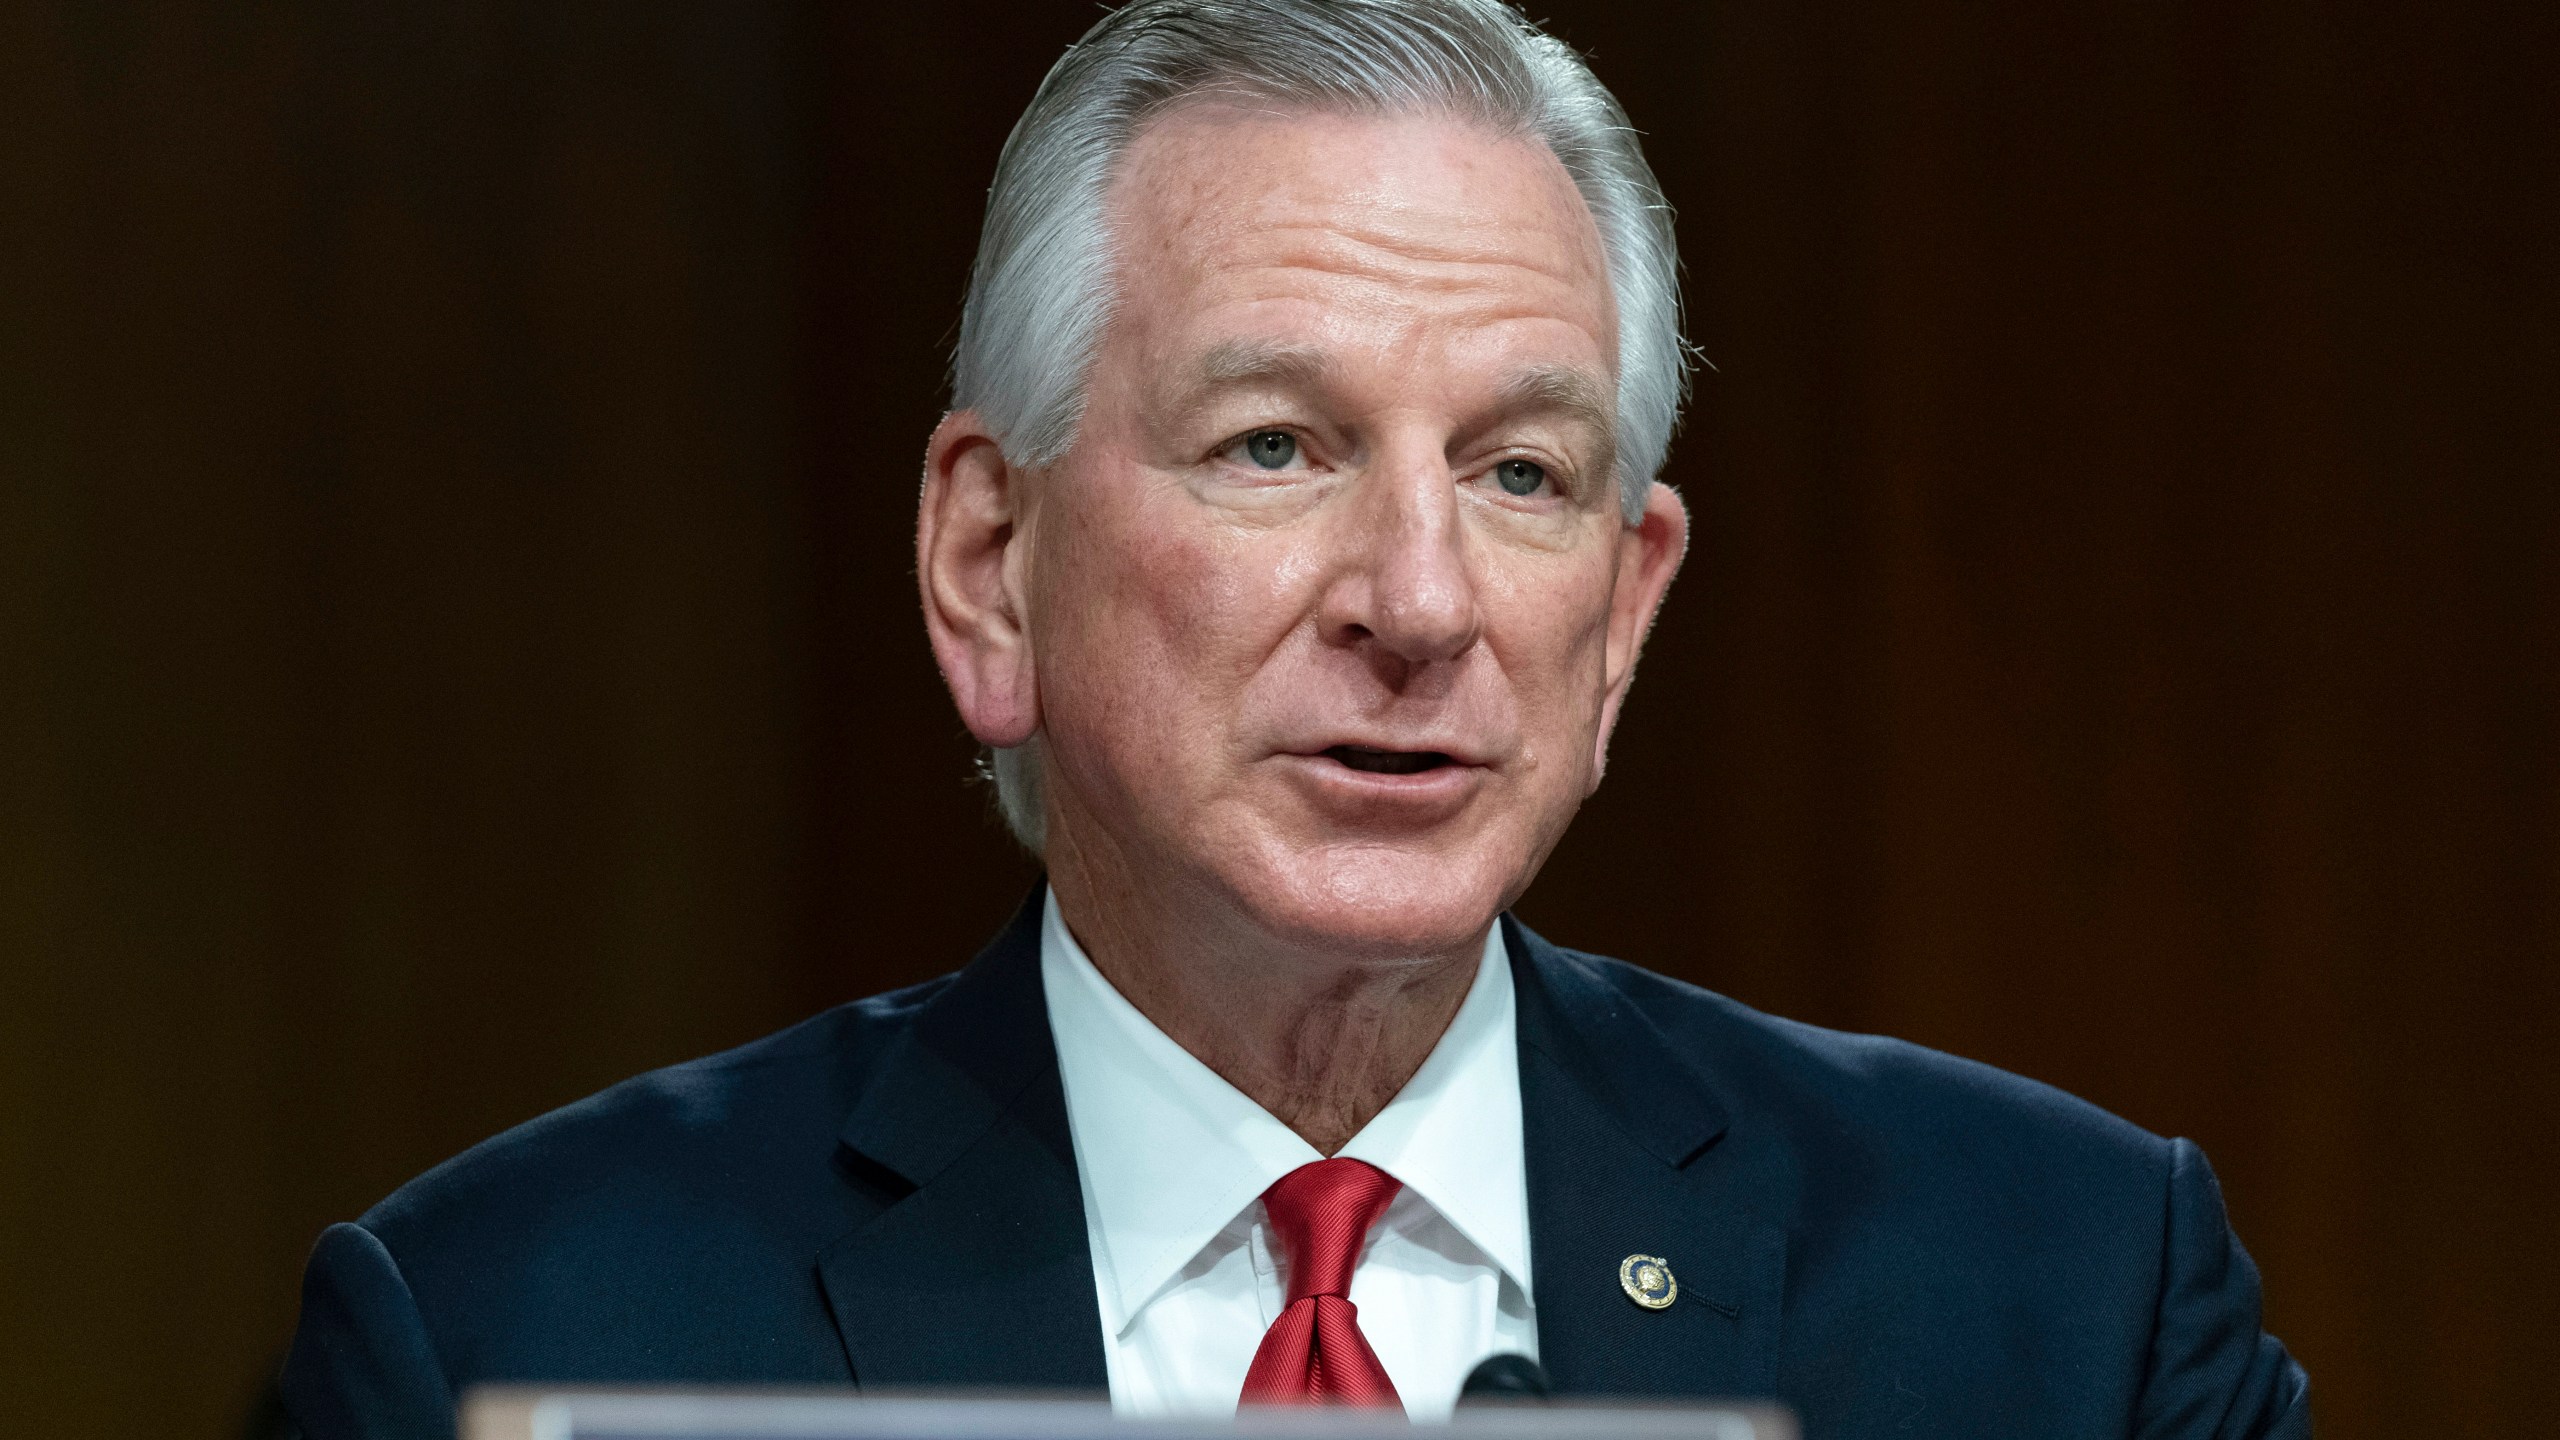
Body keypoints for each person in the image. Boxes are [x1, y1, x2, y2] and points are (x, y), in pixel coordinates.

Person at [280, 2, 2311, 1436]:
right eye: (1274, 447)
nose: (1417, 604)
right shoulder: (508, 1332)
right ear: (989, 563)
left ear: (1621, 612)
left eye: (1519, 475)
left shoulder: (2061, 1301)